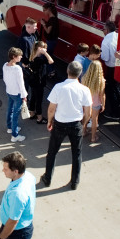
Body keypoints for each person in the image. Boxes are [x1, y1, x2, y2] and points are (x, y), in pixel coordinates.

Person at [40, 61, 92, 190]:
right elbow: (88, 111)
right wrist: (83, 124)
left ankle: (48, 178)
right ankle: (74, 182)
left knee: (52, 152)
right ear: (79, 74)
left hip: (60, 124)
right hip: (76, 124)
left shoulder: (59, 87)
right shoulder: (85, 90)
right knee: (77, 154)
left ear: (68, 71)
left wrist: (50, 121)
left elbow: (51, 109)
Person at [3, 47, 28, 143]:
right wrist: (24, 95)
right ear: (14, 57)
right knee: (16, 114)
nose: (21, 57)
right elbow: (21, 84)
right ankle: (15, 135)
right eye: (19, 56)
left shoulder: (5, 65)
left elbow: (5, 79)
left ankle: (9, 127)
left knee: (10, 109)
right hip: (17, 93)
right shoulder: (17, 69)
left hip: (9, 91)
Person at [27, 41, 53, 124]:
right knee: (39, 100)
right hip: (39, 82)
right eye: (44, 48)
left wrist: (41, 52)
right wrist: (45, 53)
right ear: (39, 48)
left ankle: (31, 113)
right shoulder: (40, 59)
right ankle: (39, 118)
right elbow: (51, 61)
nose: (46, 50)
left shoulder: (32, 56)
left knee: (33, 97)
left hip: (32, 81)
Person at [81, 60, 106, 143]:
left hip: (85, 102)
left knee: (85, 117)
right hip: (96, 103)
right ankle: (93, 137)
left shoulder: (84, 78)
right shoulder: (101, 81)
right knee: (94, 120)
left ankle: (83, 132)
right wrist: (103, 104)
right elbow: (101, 95)